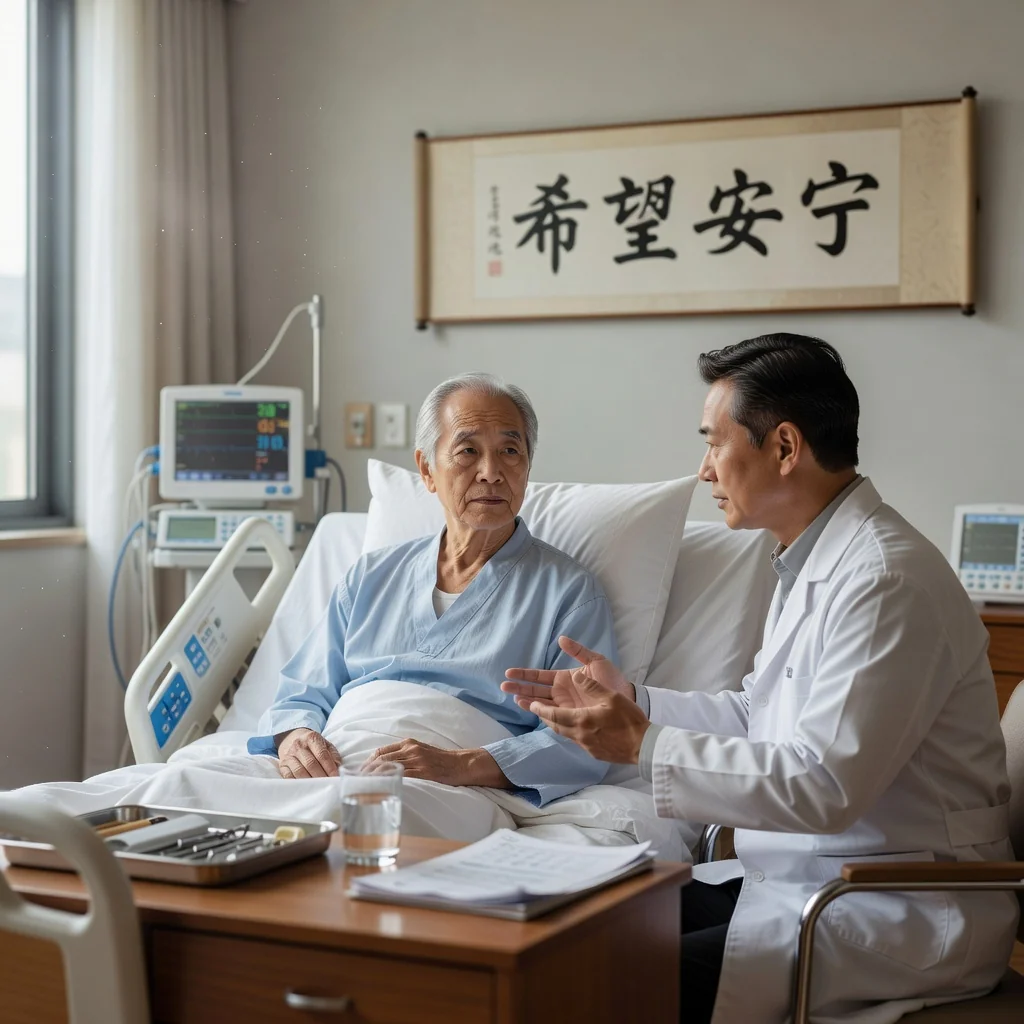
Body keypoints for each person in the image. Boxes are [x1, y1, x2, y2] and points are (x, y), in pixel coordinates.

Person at [502, 334, 1017, 1023]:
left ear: (784, 447)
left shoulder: (885, 582)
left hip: (890, 906)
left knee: (597, 978)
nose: (704, 470)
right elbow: (759, 715)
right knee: (571, 930)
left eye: (714, 443)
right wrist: (635, 703)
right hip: (804, 883)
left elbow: (822, 786)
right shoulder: (810, 560)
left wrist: (642, 745)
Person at [248, 372, 617, 806]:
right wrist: (296, 738)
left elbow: (584, 737)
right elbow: (301, 693)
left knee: (364, 822)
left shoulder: (569, 594)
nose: (491, 473)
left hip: (452, 787)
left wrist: (459, 765)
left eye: (510, 451)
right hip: (332, 765)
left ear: (527, 467)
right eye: (468, 451)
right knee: (184, 787)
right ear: (427, 470)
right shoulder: (371, 576)